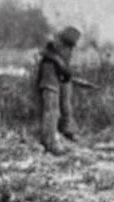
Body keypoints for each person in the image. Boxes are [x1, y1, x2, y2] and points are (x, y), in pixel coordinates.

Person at [36, 26, 81, 156]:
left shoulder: (61, 50)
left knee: (65, 105)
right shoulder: (51, 51)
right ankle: (49, 142)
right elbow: (56, 61)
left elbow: (64, 68)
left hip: (57, 77)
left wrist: (66, 75)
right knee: (52, 110)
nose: (70, 50)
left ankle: (67, 131)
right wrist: (65, 71)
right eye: (68, 46)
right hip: (49, 79)